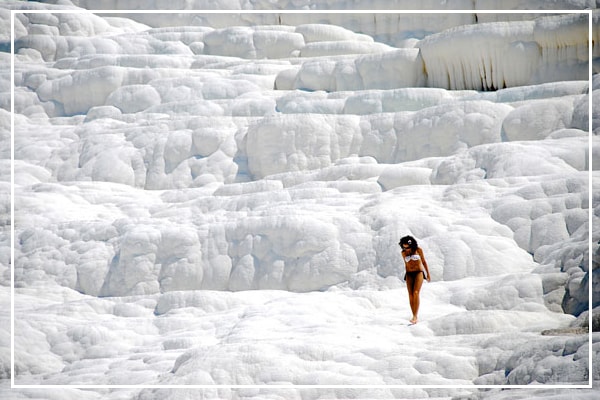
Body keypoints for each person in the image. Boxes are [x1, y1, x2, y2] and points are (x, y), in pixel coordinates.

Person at [399, 235, 430, 324]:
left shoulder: (418, 250)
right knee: (410, 294)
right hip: (409, 274)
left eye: (408, 247)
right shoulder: (403, 253)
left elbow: (423, 261)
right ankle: (413, 315)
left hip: (418, 272)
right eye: (404, 248)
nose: (406, 249)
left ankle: (415, 316)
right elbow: (406, 264)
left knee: (416, 292)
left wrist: (428, 274)